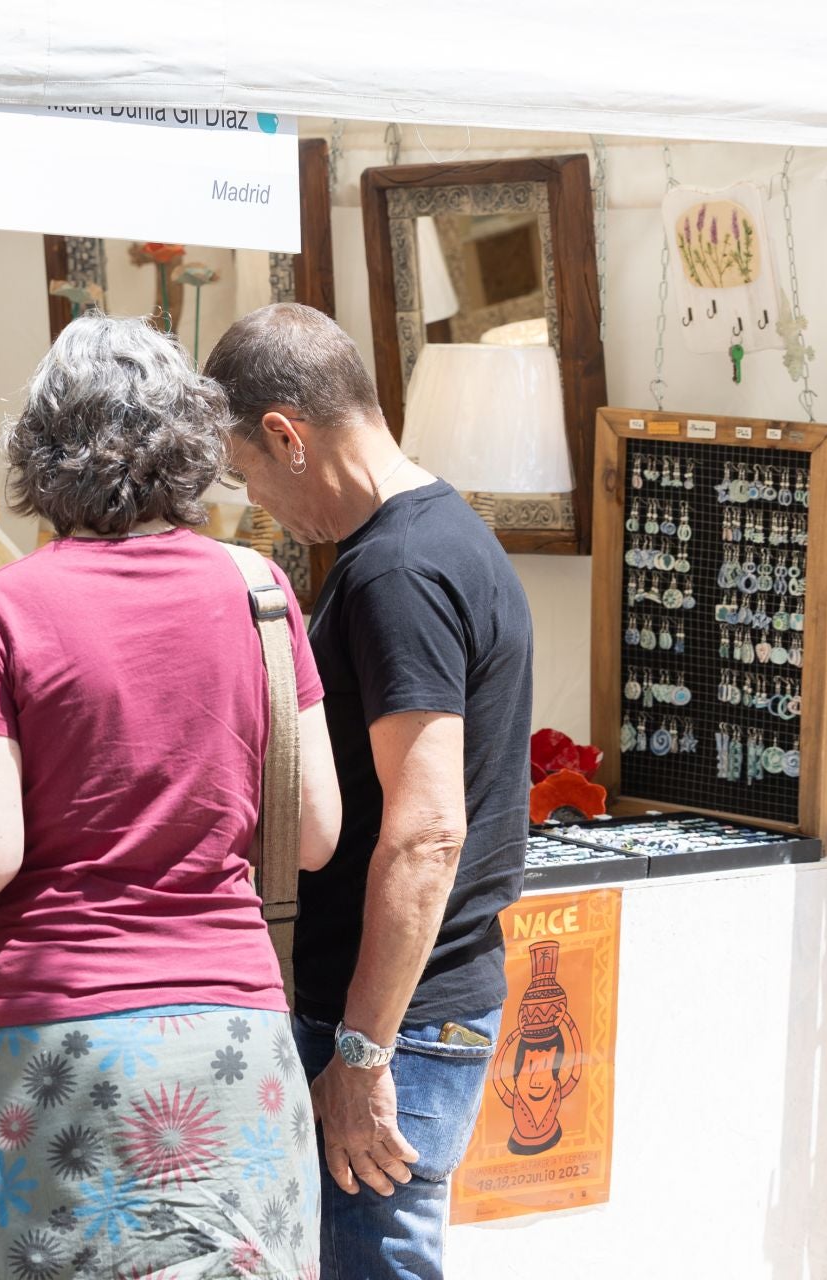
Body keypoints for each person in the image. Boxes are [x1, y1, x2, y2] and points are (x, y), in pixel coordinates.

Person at [0, 313, 342, 1278]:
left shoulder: (9, 605)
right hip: (236, 1040)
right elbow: (315, 833)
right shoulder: (261, 592)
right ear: (191, 442)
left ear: (42, 453)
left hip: (60, 1049)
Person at [203, 302, 534, 1280]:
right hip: (419, 1005)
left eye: (248, 472)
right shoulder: (444, 535)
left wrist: (360, 1051)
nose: (257, 500)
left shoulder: (397, 568)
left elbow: (428, 827)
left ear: (285, 435)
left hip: (398, 1018)